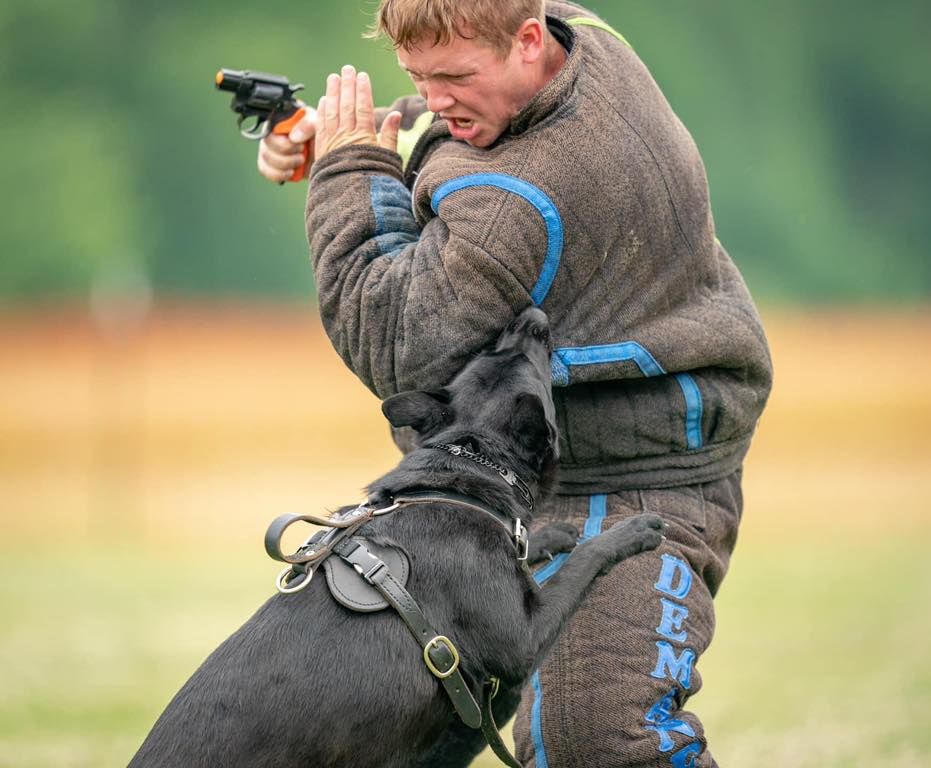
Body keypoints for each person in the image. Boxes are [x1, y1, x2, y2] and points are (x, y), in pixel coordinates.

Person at [257, 1, 772, 765]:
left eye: (453, 77)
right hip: (545, 470)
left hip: (631, 480)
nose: (435, 100)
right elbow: (450, 123)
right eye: (417, 78)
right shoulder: (585, 37)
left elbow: (396, 344)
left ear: (528, 40)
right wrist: (349, 134)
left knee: (592, 741)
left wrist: (346, 170)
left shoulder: (521, 199)